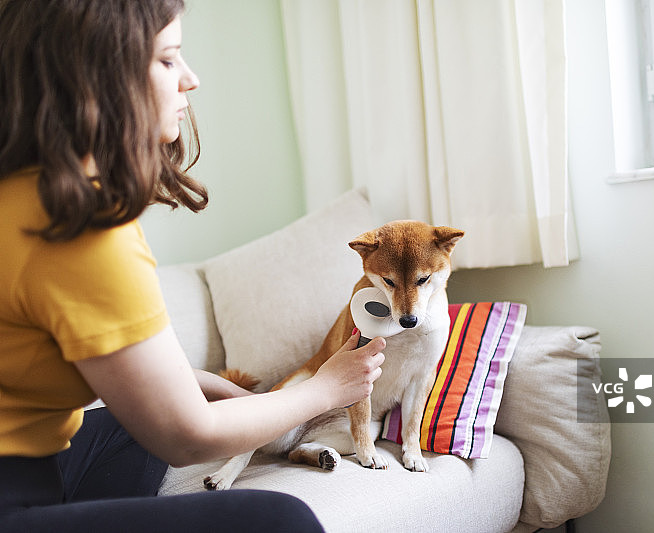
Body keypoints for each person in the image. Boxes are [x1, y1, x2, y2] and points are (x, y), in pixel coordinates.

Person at [0, 0, 386, 531]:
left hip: (31, 460)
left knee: (129, 425)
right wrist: (325, 389)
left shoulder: (25, 191)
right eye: (167, 59)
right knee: (280, 520)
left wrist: (199, 382)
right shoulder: (78, 225)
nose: (190, 78)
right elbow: (186, 437)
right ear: (95, 76)